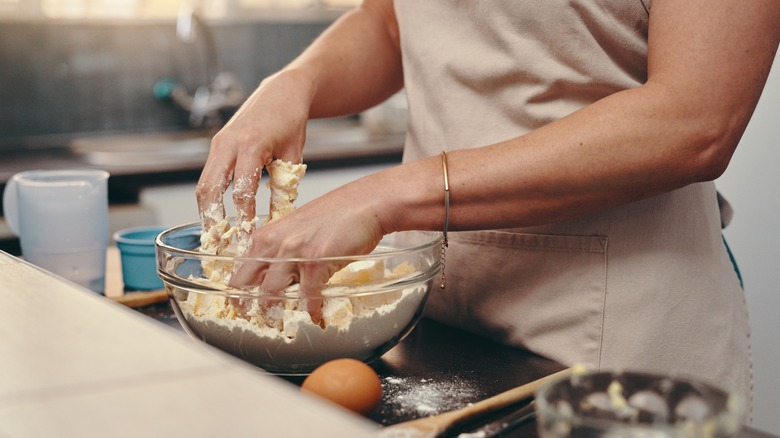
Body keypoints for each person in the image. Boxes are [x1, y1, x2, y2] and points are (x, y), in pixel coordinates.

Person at [196, 0, 780, 414]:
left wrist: (391, 194)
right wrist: (297, 81)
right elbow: (391, 22)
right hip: (432, 317)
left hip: (613, 332)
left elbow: (696, 120)